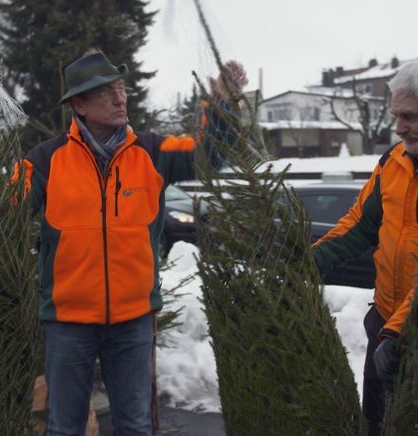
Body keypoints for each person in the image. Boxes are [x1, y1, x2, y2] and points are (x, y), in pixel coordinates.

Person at [16, 50, 246, 435]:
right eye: (106, 93)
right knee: (65, 427)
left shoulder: (152, 152)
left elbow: (211, 156)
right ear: (80, 105)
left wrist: (224, 103)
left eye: (121, 89)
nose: (120, 99)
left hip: (133, 321)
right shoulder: (45, 160)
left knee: (135, 426)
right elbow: (0, 212)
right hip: (68, 323)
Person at [312, 59, 418, 436]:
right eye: (397, 115)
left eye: (410, 116)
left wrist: (400, 332)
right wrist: (308, 263)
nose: (399, 128)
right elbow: (359, 225)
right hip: (384, 330)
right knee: (377, 427)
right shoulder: (392, 162)